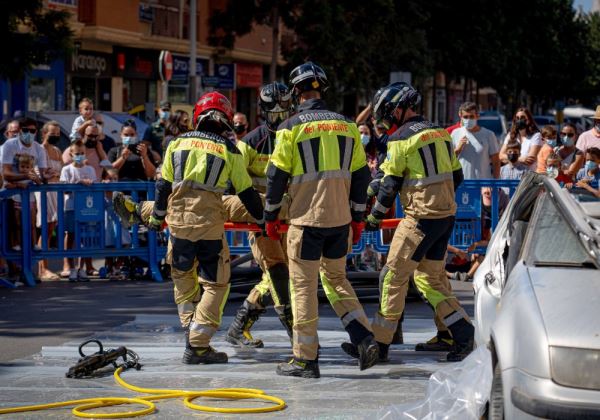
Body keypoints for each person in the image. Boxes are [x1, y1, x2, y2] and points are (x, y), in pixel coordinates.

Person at [264, 61, 377, 378]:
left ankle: (305, 359)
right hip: (340, 222)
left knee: (302, 289)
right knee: (338, 281)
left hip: (305, 221)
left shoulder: (290, 127)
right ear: (321, 89)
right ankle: (364, 338)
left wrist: (270, 216)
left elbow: (276, 176)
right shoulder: (348, 125)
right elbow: (360, 176)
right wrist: (357, 218)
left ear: (296, 91)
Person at [359, 82, 474, 362]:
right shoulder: (440, 133)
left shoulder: (399, 138)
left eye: (386, 111)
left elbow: (390, 185)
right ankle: (459, 334)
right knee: (430, 279)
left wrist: (374, 216)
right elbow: (456, 177)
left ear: (399, 108)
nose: (384, 117)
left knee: (391, 277)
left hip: (420, 219)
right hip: (444, 217)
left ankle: (380, 344)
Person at [149, 91, 264, 364]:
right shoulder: (229, 149)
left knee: (184, 280)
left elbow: (163, 186)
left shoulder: (175, 144)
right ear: (225, 119)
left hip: (177, 228)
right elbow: (246, 192)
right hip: (209, 228)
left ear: (197, 117)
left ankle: (191, 328)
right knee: (216, 285)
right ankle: (198, 345)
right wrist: (262, 221)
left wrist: (156, 218)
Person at [224, 82, 295, 348]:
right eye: (273, 113)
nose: (278, 118)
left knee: (283, 273)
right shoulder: (250, 144)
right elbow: (234, 187)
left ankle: (237, 327)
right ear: (262, 112)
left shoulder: (298, 138)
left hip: (290, 220)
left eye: (283, 111)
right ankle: (295, 334)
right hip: (262, 220)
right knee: (278, 273)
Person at [59, 142, 97, 282]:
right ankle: (72, 268)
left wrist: (88, 184)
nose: (80, 156)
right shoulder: (66, 170)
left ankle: (81, 268)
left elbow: (94, 187)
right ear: (71, 154)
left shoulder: (91, 169)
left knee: (85, 238)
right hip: (71, 207)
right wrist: (79, 182)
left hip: (87, 208)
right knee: (71, 236)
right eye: (77, 153)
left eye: (82, 153)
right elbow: (65, 189)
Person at [36, 121, 63, 281]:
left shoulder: (58, 150)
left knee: (51, 228)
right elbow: (39, 173)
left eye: (58, 133)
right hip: (44, 192)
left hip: (56, 192)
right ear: (44, 133)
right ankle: (42, 268)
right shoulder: (38, 150)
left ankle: (43, 269)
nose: (56, 136)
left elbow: (61, 172)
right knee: (45, 229)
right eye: (53, 133)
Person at [451, 102, 500, 179]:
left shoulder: (489, 135)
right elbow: (448, 160)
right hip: (462, 184)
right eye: (465, 117)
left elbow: (496, 162)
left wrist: (495, 184)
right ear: (461, 116)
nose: (468, 119)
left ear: (477, 116)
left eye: (471, 116)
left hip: (483, 185)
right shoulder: (455, 133)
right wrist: (458, 149)